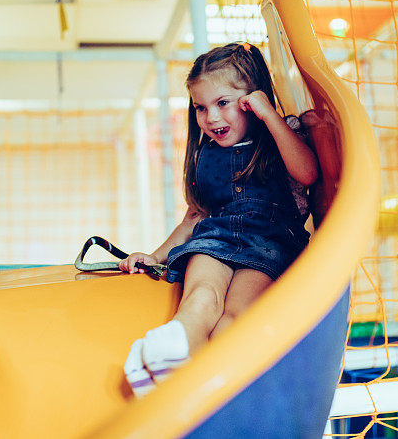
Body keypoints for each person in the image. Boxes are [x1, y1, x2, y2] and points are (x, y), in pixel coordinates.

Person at [120, 42, 318, 396]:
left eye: (222, 103)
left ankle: (215, 389)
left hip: (269, 244)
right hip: (214, 238)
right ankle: (169, 356)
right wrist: (154, 256)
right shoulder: (205, 156)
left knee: (233, 316)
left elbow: (307, 174)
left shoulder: (278, 136)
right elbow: (192, 219)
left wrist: (269, 116)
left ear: (251, 98)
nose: (211, 118)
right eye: (201, 107)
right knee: (200, 297)